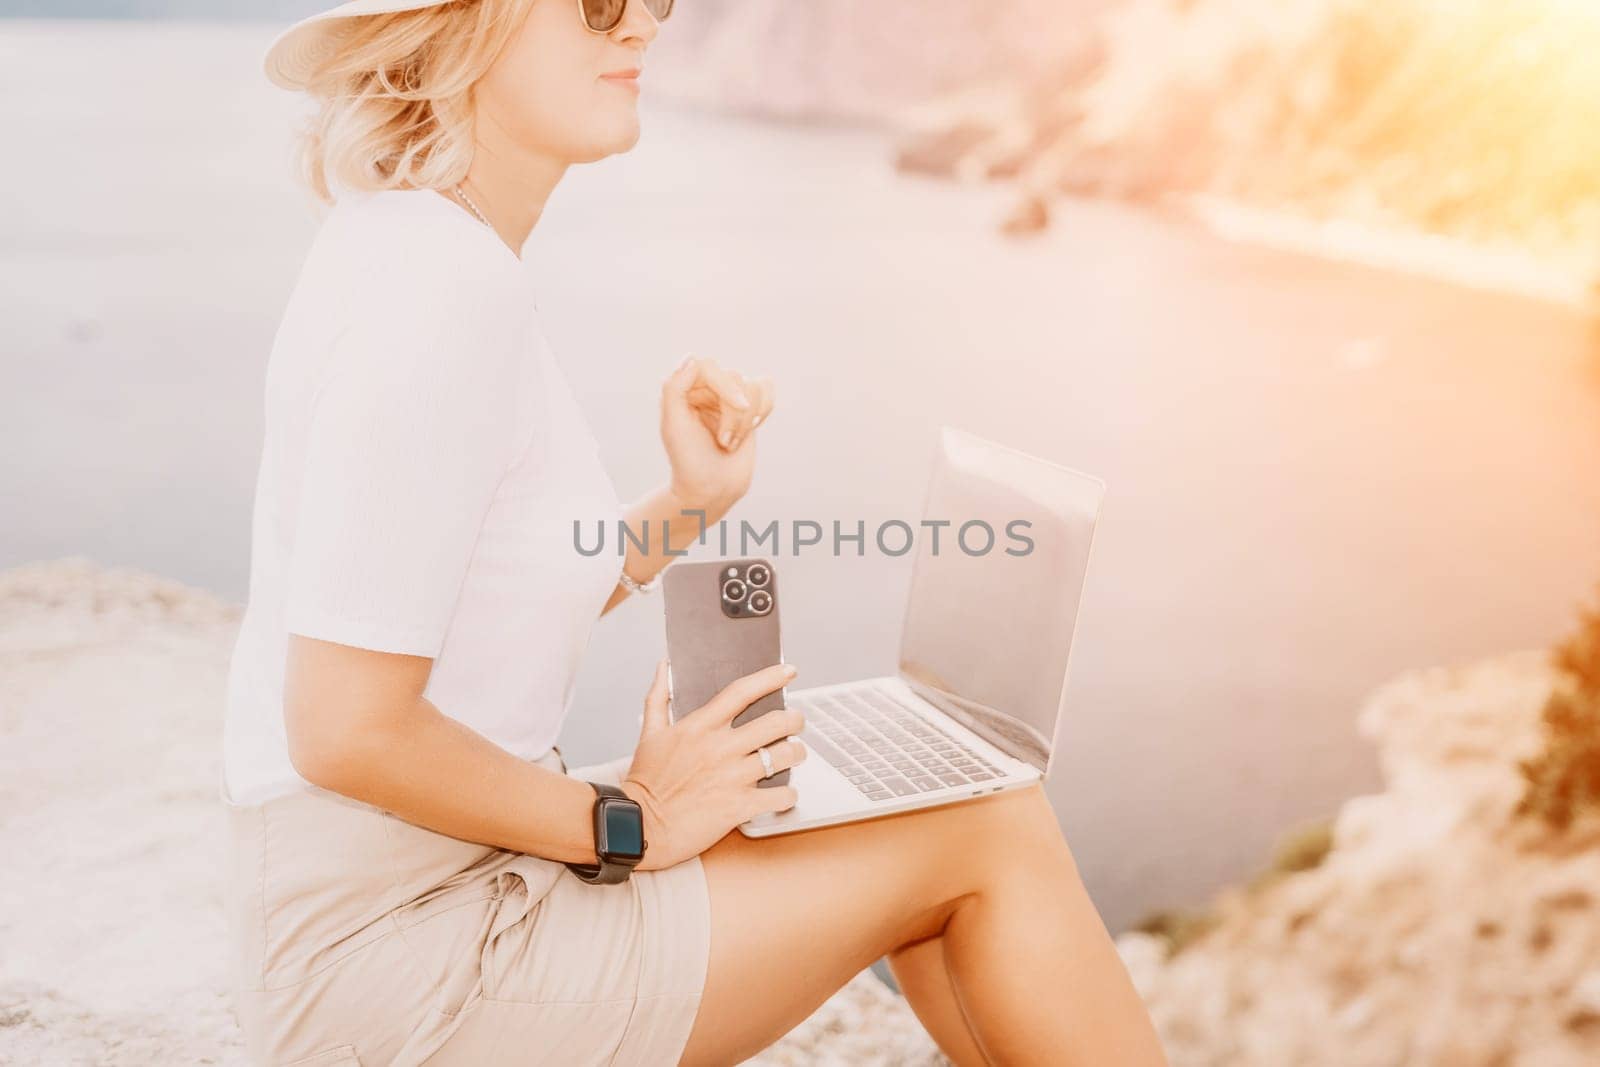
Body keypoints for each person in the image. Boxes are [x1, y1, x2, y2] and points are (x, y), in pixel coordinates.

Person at [219, 0, 1170, 1064]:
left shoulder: (415, 249)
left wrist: (689, 501)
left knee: (944, 809)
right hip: (405, 961)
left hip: (425, 894)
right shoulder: (441, 291)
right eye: (596, 5)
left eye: (653, 4)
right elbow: (344, 727)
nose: (641, 29)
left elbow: (487, 582)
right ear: (460, 31)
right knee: (986, 824)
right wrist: (628, 816)